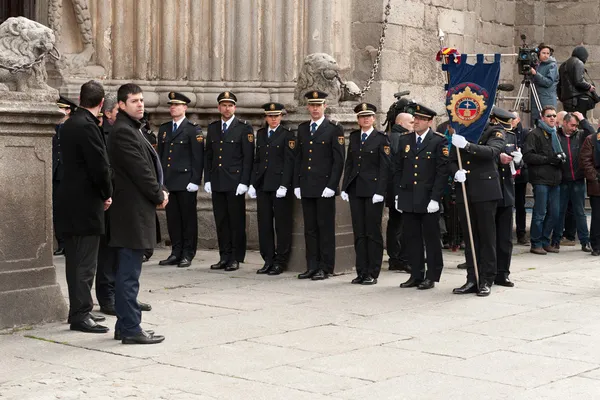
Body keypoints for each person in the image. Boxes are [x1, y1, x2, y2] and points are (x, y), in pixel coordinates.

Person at [108, 83, 167, 344]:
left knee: (128, 272)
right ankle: (131, 328)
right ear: (121, 105)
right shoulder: (123, 132)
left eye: (142, 100)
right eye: (134, 101)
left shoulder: (132, 128)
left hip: (134, 210)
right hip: (130, 212)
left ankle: (125, 325)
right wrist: (159, 194)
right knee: (128, 274)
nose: (140, 104)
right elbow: (140, 170)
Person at [56, 81, 113, 333]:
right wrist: (107, 193)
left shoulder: (70, 123)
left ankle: (78, 309)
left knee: (74, 261)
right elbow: (99, 166)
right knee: (85, 263)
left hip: (69, 202)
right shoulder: (87, 126)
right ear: (101, 104)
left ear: (80, 98)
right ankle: (81, 313)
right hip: (85, 204)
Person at [450, 113, 506, 297]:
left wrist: (466, 145)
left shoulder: (495, 130)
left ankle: (487, 279)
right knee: (470, 237)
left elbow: (491, 152)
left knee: (486, 236)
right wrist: (456, 172)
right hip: (465, 189)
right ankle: (472, 278)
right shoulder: (462, 131)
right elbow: (452, 159)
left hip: (485, 189)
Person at [394, 104, 449, 290]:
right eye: (415, 118)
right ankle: (416, 274)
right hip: (409, 196)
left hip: (428, 199)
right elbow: (398, 168)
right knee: (412, 237)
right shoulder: (405, 140)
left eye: (420, 119)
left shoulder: (438, 141)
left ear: (430, 122)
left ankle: (432, 275)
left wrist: (435, 198)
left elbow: (442, 172)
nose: (416, 122)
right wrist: (398, 195)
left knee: (431, 239)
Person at [293, 91, 345, 280]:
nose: (315, 109)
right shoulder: (303, 129)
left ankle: (325, 266)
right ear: (308, 107)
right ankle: (312, 265)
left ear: (324, 106)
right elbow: (299, 157)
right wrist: (297, 183)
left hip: (324, 188)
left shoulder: (333, 129)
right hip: (307, 185)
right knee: (310, 229)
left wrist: (332, 185)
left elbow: (338, 160)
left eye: (318, 105)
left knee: (325, 228)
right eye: (312, 105)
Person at [204, 91, 254, 271]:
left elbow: (248, 158)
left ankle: (236, 257)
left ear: (235, 107)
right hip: (217, 181)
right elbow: (208, 156)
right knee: (222, 221)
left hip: (235, 182)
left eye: (230, 105)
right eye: (224, 105)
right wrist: (207, 178)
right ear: (219, 107)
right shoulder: (213, 128)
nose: (227, 108)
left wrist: (244, 182)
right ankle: (224, 256)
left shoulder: (243, 128)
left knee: (236, 221)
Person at [341, 103, 390, 285]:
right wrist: (345, 187)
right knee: (359, 232)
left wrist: (381, 191)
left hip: (373, 191)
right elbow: (350, 164)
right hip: (356, 190)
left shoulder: (381, 138)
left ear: (374, 119)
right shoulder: (354, 137)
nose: (365, 119)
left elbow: (385, 168)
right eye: (362, 117)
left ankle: (372, 272)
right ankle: (361, 270)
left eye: (368, 116)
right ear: (358, 120)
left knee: (372, 232)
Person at [157, 92, 204, 268]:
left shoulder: (192, 129)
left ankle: (187, 253)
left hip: (185, 182)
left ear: (185, 107)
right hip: (169, 181)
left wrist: (195, 180)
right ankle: (175, 252)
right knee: (173, 219)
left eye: (177, 105)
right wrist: (160, 181)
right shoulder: (164, 129)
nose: (173, 107)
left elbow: (197, 158)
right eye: (171, 105)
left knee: (188, 219)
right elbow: (160, 157)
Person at [248, 103, 296, 275]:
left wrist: (284, 185)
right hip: (263, 185)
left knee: (282, 225)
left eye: (276, 116)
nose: (273, 119)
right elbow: (258, 160)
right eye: (270, 116)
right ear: (266, 117)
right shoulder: (261, 134)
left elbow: (289, 162)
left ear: (281, 117)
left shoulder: (287, 135)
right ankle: (268, 259)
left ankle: (280, 261)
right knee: (265, 224)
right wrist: (253, 183)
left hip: (280, 187)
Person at [522, 105, 563, 255]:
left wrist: (559, 160)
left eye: (554, 115)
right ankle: (536, 242)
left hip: (555, 179)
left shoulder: (555, 134)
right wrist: (548, 159)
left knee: (554, 213)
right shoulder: (535, 134)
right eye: (549, 116)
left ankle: (545, 241)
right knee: (540, 213)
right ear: (542, 118)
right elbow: (528, 156)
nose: (552, 118)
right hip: (540, 179)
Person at [551, 112, 592, 252]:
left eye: (576, 125)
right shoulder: (556, 136)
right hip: (562, 180)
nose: (574, 128)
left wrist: (582, 119)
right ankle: (555, 240)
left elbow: (592, 133)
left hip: (578, 180)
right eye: (572, 125)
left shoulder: (580, 136)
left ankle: (585, 241)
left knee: (580, 212)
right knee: (559, 212)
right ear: (564, 123)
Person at [492, 108, 522, 287]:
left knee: (505, 237)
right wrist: (498, 159)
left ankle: (503, 272)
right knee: (489, 236)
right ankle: (488, 270)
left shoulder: (511, 137)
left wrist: (518, 160)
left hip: (507, 191)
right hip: (490, 190)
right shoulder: (488, 135)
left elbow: (519, 163)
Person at [385, 112, 413, 273]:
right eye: (410, 122)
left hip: (393, 189)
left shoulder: (392, 136)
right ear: (401, 123)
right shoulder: (399, 139)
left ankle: (395, 258)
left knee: (395, 224)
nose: (413, 124)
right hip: (398, 189)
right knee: (400, 226)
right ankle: (399, 258)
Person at [52, 96, 77, 256]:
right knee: (57, 209)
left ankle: (70, 242)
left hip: (69, 173)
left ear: (68, 110)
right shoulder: (53, 128)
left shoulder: (73, 127)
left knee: (70, 208)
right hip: (56, 172)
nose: (59, 111)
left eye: (61, 108)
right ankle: (61, 242)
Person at [558, 46, 597, 118]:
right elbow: (579, 81)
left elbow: (559, 84)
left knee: (569, 121)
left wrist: (561, 97)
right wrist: (589, 86)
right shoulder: (579, 62)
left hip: (566, 99)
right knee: (580, 121)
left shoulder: (563, 65)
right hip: (577, 99)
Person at [579, 130, 600, 256]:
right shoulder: (591, 140)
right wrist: (596, 176)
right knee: (597, 216)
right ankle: (596, 245)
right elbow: (585, 161)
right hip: (597, 185)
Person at [511, 112, 529, 245]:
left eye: (514, 118)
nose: (512, 121)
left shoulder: (525, 133)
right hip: (506, 175)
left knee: (520, 205)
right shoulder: (503, 132)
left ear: (519, 119)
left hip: (520, 175)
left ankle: (521, 233)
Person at [530, 43, 558, 124]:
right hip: (537, 98)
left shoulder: (552, 65)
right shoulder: (537, 65)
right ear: (539, 54)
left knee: (546, 123)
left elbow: (548, 82)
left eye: (548, 53)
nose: (546, 55)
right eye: (543, 53)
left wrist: (535, 74)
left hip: (547, 100)